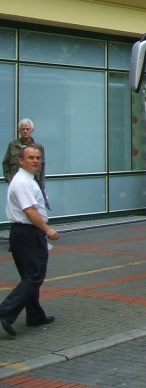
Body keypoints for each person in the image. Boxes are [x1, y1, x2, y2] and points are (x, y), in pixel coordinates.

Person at [0, 145, 59, 337]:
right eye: (31, 158)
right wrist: (47, 229)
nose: (35, 161)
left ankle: (35, 316)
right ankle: (6, 311)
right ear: (21, 161)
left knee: (30, 276)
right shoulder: (22, 182)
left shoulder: (29, 180)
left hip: (25, 233)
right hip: (27, 232)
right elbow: (30, 211)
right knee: (34, 276)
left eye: (38, 158)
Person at [3, 119, 45, 188]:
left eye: (27, 129)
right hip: (16, 183)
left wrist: (41, 185)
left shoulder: (38, 147)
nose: (25, 131)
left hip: (33, 183)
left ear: (32, 130)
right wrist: (8, 178)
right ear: (19, 130)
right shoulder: (13, 145)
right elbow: (5, 163)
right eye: (23, 129)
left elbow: (42, 167)